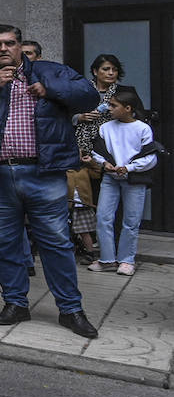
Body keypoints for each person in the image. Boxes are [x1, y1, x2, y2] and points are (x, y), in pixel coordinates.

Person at [0, 25, 101, 338]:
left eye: (10, 43)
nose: (3, 49)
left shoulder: (49, 72)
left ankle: (70, 309)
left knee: (56, 242)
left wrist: (50, 90)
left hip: (43, 174)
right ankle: (15, 303)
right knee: (4, 242)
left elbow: (89, 96)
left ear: (20, 45)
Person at [88, 87, 160, 276]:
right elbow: (96, 151)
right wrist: (105, 163)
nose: (108, 108)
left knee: (131, 220)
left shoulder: (143, 128)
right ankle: (107, 259)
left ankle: (127, 260)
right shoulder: (105, 128)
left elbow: (150, 158)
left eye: (113, 105)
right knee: (103, 217)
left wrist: (128, 168)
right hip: (110, 179)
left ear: (128, 108)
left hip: (134, 179)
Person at [72, 54, 124, 262]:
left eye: (114, 69)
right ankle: (87, 243)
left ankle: (114, 244)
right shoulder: (81, 91)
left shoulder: (124, 92)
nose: (110, 73)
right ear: (95, 71)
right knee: (86, 196)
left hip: (111, 149)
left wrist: (113, 113)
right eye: (105, 69)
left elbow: (133, 115)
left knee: (112, 196)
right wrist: (81, 117)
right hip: (82, 149)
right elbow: (65, 114)